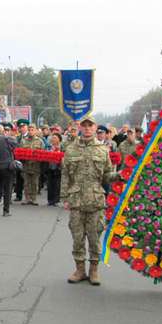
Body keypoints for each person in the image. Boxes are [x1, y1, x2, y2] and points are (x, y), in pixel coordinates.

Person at [61, 115, 116, 286]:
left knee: (94, 238)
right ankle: (79, 270)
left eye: (90, 126)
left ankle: (93, 270)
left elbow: (107, 175)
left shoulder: (103, 150)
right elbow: (65, 175)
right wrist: (64, 198)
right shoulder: (70, 149)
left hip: (95, 201)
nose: (86, 128)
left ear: (95, 128)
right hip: (76, 201)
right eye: (84, 126)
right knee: (77, 238)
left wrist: (121, 176)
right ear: (80, 128)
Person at [20, 125, 44, 205]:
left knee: (34, 183)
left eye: (32, 130)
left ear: (35, 131)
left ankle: (34, 199)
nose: (30, 131)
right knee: (26, 183)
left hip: (36, 165)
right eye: (29, 130)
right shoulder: (23, 141)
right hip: (26, 165)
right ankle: (27, 198)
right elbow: (20, 152)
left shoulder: (40, 141)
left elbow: (43, 153)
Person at [14, 120, 30, 201]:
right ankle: (18, 195)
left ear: (27, 127)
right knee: (19, 178)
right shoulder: (18, 137)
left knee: (27, 179)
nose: (22, 129)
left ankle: (29, 196)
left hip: (28, 161)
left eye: (24, 127)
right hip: (19, 160)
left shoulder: (30, 137)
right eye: (21, 127)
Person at [46, 133, 63, 206]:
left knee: (57, 185)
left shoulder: (62, 147)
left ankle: (56, 200)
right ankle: (50, 200)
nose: (53, 139)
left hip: (58, 168)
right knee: (50, 184)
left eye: (55, 138)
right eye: (52, 138)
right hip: (50, 167)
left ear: (59, 139)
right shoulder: (49, 147)